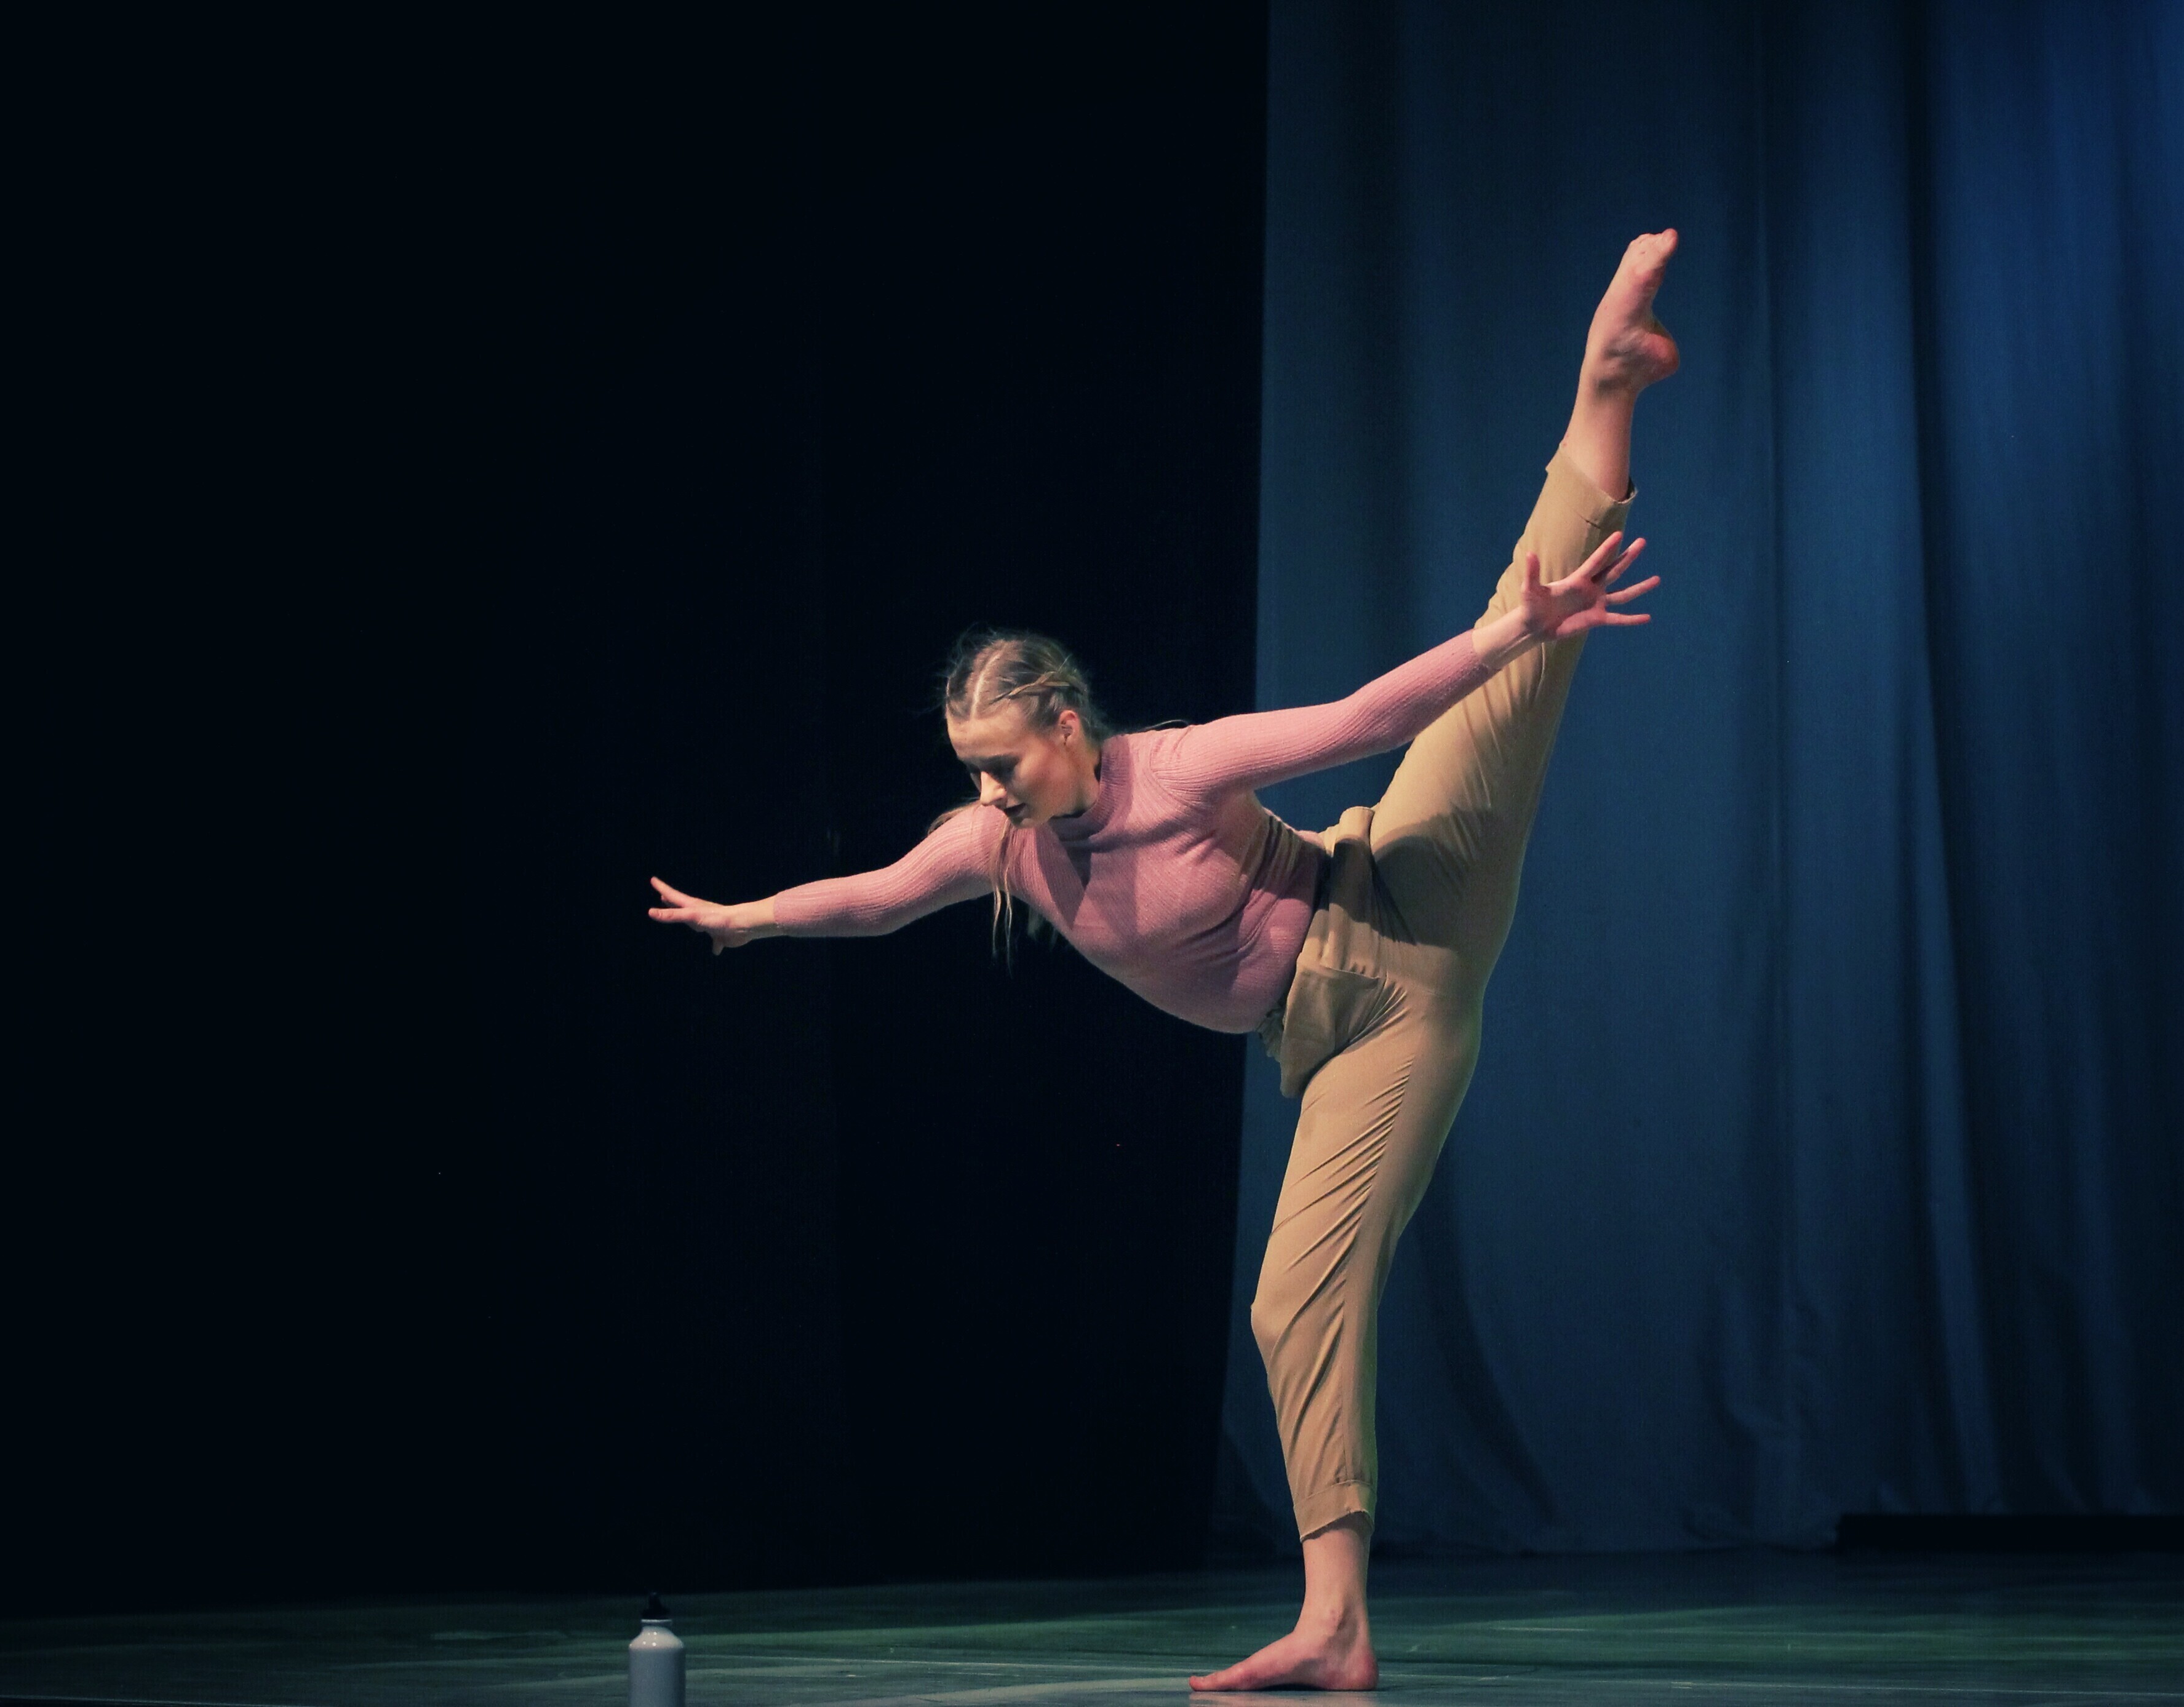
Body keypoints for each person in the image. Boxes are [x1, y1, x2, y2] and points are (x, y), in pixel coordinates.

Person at [649, 228, 1683, 1691]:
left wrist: (1512, 631)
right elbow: (877, 899)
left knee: (1508, 670)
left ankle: (1603, 383)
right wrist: (749, 917)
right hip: (1346, 1038)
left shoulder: (1178, 770)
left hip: (1399, 908)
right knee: (1290, 1302)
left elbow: (1365, 717)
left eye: (1006, 761)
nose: (990, 790)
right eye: (971, 768)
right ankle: (1337, 1625)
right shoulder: (1000, 845)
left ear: (1067, 724)